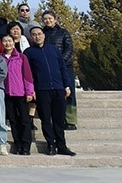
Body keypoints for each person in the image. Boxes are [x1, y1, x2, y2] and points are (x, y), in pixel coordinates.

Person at [24, 26, 76, 156]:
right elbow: (28, 73)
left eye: (39, 34)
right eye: (34, 35)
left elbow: (62, 68)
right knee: (46, 119)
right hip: (41, 90)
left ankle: (62, 145)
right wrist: (31, 90)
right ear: (31, 37)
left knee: (59, 120)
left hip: (58, 88)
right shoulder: (29, 52)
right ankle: (51, 144)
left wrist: (67, 85)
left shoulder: (53, 49)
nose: (37, 36)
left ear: (44, 35)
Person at [42, 10, 77, 130]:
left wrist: (60, 62)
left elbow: (69, 48)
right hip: (49, 68)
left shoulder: (63, 32)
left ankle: (70, 120)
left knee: (69, 92)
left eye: (50, 18)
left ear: (55, 19)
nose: (48, 21)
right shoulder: (42, 33)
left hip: (65, 66)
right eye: (45, 19)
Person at [1, 34, 34, 155]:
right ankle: (18, 144)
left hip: (20, 93)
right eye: (5, 41)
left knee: (24, 120)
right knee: (13, 121)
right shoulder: (0, 58)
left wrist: (29, 91)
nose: (7, 43)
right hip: (7, 93)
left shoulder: (21, 57)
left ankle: (26, 145)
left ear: (14, 42)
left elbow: (27, 75)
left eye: (9, 41)